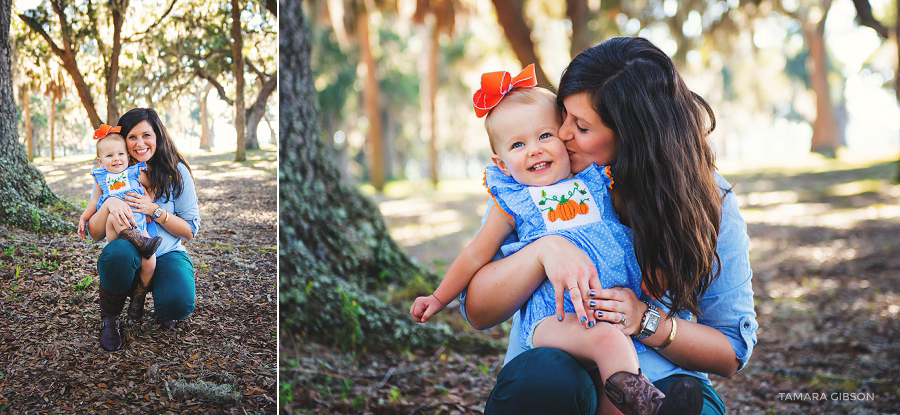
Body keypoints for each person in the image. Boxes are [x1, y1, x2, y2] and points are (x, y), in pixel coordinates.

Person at [459, 37, 758, 415]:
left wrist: (645, 322)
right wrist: (541, 253)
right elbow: (478, 311)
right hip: (555, 369)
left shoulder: (707, 200)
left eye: (581, 126)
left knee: (674, 403)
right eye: (563, 115)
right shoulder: (540, 183)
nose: (562, 134)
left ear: (633, 136)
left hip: (660, 380)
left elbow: (731, 350)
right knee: (546, 379)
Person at [410, 65, 701, 415]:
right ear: (501, 164)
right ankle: (651, 406)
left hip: (608, 311)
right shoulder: (513, 202)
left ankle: (638, 406)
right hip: (555, 317)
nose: (534, 150)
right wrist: (439, 297)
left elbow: (642, 234)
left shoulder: (597, 181)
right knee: (608, 341)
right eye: (518, 144)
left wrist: (655, 276)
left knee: (612, 356)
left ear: (564, 137)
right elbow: (474, 256)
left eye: (544, 136)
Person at [85, 108, 201, 352]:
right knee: (119, 253)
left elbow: (189, 231)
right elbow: (95, 233)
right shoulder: (112, 173)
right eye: (132, 137)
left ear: (157, 136)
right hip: (126, 251)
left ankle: (158, 300)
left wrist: (153, 210)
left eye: (146, 135)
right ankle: (110, 318)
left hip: (166, 252)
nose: (140, 144)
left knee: (177, 303)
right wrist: (108, 205)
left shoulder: (175, 172)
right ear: (122, 141)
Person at [78, 124, 161, 323]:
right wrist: (83, 217)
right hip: (116, 230)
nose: (116, 159)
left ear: (127, 156)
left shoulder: (135, 172)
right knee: (115, 216)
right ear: (100, 161)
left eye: (120, 154)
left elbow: (153, 186)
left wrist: (149, 201)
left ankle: (139, 295)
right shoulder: (101, 178)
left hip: (139, 226)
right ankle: (140, 242)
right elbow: (93, 202)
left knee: (150, 261)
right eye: (109, 156)